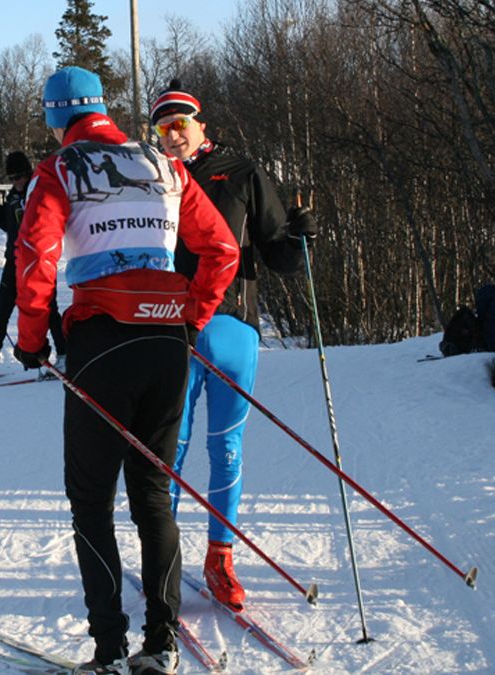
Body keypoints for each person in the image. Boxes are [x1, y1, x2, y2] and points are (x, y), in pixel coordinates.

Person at [14, 67, 239, 675]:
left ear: (57, 117)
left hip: (102, 339)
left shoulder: (59, 169)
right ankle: (162, 642)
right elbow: (222, 249)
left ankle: (110, 648)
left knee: (92, 501)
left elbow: (36, 256)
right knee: (152, 496)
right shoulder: (165, 163)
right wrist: (191, 318)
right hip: (165, 340)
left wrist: (32, 340)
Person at [151, 80, 317, 611]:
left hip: (232, 326)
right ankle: (163, 559)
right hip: (171, 328)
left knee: (226, 449)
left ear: (201, 125)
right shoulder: (153, 179)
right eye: (163, 127)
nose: (172, 135)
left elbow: (278, 255)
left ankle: (219, 558)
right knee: (168, 451)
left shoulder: (241, 172)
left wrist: (299, 238)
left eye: (180, 124)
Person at [0, 152, 67, 379]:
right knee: (1, 309)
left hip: (38, 260)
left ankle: (63, 355)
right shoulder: (13, 195)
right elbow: (10, 225)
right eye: (12, 178)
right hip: (14, 260)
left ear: (28, 174)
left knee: (47, 308)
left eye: (20, 177)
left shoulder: (37, 191)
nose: (16, 182)